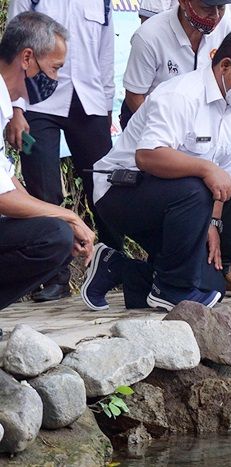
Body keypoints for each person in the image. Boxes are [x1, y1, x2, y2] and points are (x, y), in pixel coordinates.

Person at [80, 26, 231, 312]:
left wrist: (211, 225)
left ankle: (117, 268)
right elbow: (147, 156)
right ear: (225, 66)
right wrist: (205, 168)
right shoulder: (180, 95)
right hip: (121, 191)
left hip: (177, 202)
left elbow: (225, 178)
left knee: (212, 284)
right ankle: (172, 290)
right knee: (197, 187)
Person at [121, 0, 231, 296]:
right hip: (155, 130)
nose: (216, 15)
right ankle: (173, 279)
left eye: (221, 8)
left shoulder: (226, 32)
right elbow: (136, 96)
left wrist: (211, 220)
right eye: (209, 7)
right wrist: (178, 154)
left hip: (202, 129)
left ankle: (218, 269)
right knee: (192, 188)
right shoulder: (151, 36)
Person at [5, 0, 116, 302]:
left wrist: (107, 106)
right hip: (37, 102)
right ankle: (54, 278)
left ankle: (115, 264)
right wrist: (16, 109)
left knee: (105, 185)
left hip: (89, 99)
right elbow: (15, 43)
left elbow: (106, 54)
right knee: (43, 187)